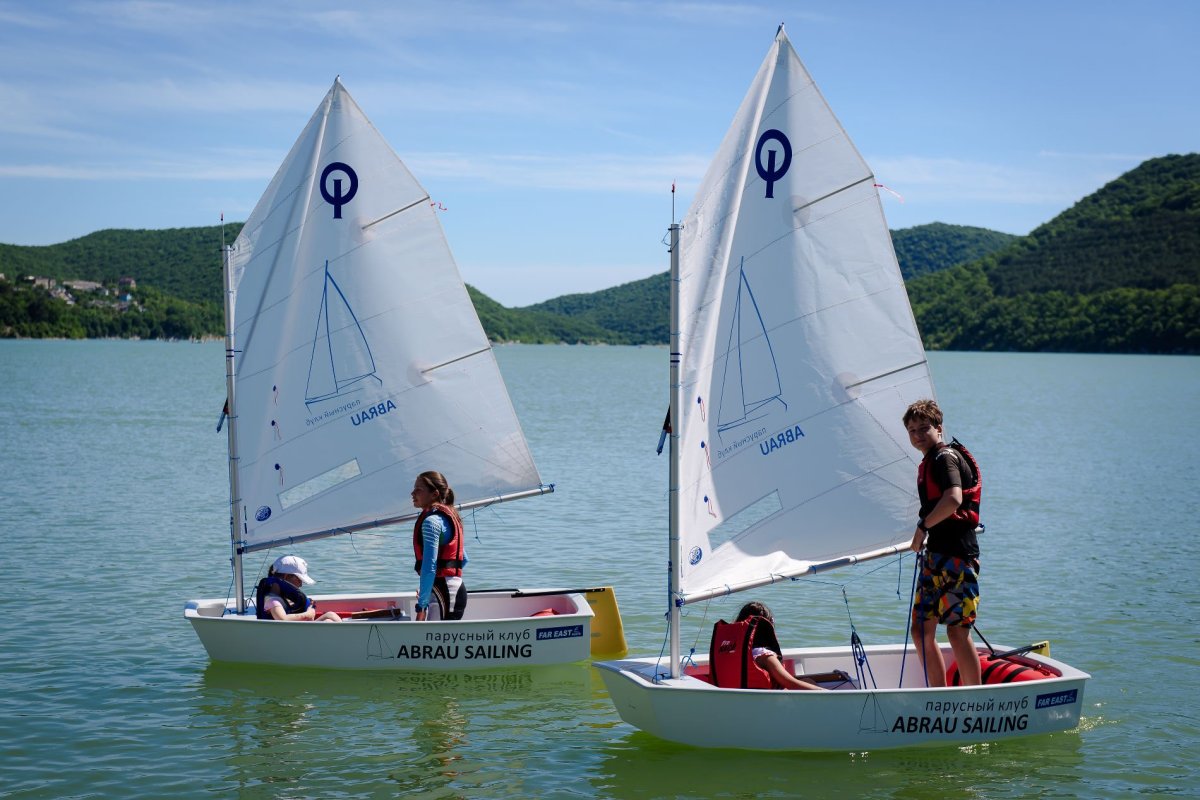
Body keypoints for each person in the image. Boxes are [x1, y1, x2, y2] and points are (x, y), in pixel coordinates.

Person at [903, 398, 983, 686]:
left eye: (924, 428)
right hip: (935, 557)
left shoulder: (944, 457)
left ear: (939, 428)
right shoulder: (928, 461)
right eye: (912, 430)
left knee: (957, 631)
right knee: (920, 630)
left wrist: (922, 527)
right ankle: (938, 694)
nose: (918, 435)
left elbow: (953, 499)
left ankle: (975, 696)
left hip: (958, 557)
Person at [710, 601, 825, 690]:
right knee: (809, 682)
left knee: (807, 680)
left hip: (735, 703)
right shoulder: (764, 656)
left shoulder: (728, 651)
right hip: (764, 706)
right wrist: (826, 693)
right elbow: (790, 683)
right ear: (766, 627)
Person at [411, 470, 467, 621]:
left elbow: (429, 567)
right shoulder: (447, 518)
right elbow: (464, 559)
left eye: (418, 490)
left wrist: (421, 605)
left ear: (434, 494)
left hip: (445, 595)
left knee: (429, 642)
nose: (412, 493)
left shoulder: (431, 522)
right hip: (450, 591)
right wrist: (429, 591)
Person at [255, 554, 342, 622]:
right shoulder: (272, 600)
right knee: (327, 621)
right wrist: (308, 614)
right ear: (286, 577)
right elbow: (282, 619)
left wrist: (307, 607)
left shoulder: (284, 598)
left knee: (331, 615)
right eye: (299, 580)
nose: (301, 585)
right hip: (287, 635)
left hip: (297, 631)